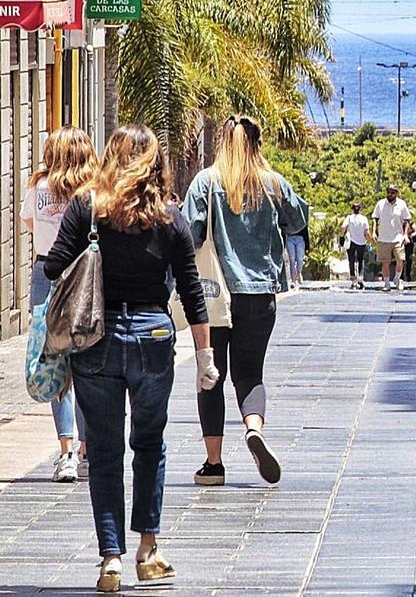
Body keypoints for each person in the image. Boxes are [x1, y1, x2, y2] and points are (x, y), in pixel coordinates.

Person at [43, 124, 217, 593]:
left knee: (103, 453)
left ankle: (111, 559)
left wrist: (89, 257)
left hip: (96, 341)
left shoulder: (87, 209)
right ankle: (149, 548)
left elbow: (54, 265)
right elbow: (191, 289)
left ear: (111, 157)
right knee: (149, 444)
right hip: (154, 337)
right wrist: (204, 354)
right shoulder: (168, 216)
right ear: (154, 162)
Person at [185, 115, 308, 487]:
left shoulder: (205, 182)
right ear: (257, 144)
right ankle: (253, 427)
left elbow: (189, 232)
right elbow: (298, 219)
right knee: (250, 374)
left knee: (210, 375)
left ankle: (214, 463)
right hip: (259, 294)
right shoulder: (273, 183)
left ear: (223, 142)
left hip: (215, 296)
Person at [21, 126, 96, 483]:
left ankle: (65, 451)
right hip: (83, 278)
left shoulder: (38, 187)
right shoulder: (92, 193)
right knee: (85, 361)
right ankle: (85, 451)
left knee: (53, 361)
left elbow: (29, 223)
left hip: (45, 274)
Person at [372, 184, 412, 291]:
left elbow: (408, 219)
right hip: (383, 237)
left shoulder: (402, 204)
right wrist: (374, 232)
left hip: (398, 237)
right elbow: (375, 218)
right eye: (389, 192)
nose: (390, 194)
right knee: (385, 262)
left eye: (393, 192)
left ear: (397, 193)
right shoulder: (380, 204)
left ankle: (397, 278)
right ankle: (386, 284)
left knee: (400, 259)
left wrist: (405, 234)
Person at [342, 202, 370, 289]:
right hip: (361, 242)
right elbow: (366, 231)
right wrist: (370, 240)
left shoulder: (349, 218)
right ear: (360, 209)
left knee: (351, 260)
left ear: (352, 209)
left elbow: (343, 227)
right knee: (361, 260)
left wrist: (344, 234)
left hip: (351, 242)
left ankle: (353, 279)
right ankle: (360, 277)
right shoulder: (364, 218)